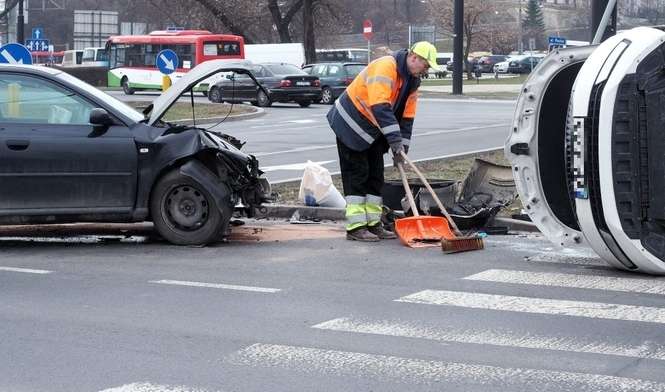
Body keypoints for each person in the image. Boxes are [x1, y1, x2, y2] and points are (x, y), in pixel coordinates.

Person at [327, 41, 440, 242]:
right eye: (426, 65)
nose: (426, 70)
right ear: (414, 58)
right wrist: (394, 140)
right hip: (351, 124)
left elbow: (407, 118)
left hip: (373, 128)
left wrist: (401, 149)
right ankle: (356, 227)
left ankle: (373, 223)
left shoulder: (413, 82)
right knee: (358, 175)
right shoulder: (386, 66)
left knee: (376, 176)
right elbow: (380, 106)